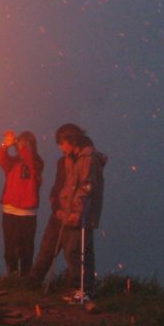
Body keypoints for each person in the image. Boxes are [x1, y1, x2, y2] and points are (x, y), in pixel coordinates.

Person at [31, 123, 108, 297]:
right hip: (67, 211)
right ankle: (80, 288)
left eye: (62, 143)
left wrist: (76, 212)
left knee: (76, 251)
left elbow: (86, 187)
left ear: (71, 140)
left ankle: (81, 289)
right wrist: (59, 207)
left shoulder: (88, 158)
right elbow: (65, 186)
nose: (60, 147)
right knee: (72, 250)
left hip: (81, 214)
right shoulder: (69, 158)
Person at [0, 130, 43, 278]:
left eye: (24, 143)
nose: (21, 146)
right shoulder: (13, 162)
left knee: (26, 247)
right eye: (20, 143)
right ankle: (12, 275)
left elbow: (29, 160)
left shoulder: (37, 162)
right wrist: (5, 145)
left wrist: (20, 145)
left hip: (28, 213)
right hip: (10, 210)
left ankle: (26, 277)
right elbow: (1, 159)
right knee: (10, 246)